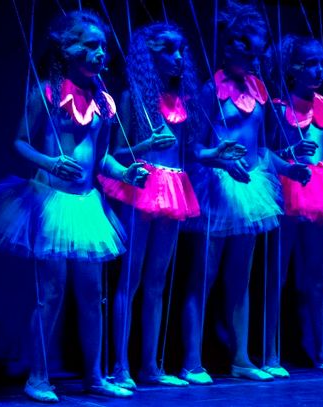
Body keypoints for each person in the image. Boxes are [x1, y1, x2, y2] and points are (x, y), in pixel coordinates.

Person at [0, 10, 148, 402]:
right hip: (50, 202)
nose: (100, 53)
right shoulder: (48, 93)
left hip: (85, 206)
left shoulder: (104, 102)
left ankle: (94, 375)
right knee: (51, 292)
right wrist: (51, 163)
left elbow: (101, 159)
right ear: (67, 50)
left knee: (92, 294)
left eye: (103, 46)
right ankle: (38, 376)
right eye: (91, 45)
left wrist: (125, 173)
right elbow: (19, 142)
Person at [179, 0, 311, 385]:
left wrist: (290, 166)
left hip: (251, 187)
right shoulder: (211, 90)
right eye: (247, 51)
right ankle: (191, 361)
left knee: (241, 277)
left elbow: (263, 148)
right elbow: (193, 148)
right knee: (203, 275)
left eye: (258, 52)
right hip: (218, 188)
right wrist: (219, 161)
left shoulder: (259, 90)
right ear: (229, 47)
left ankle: (241, 357)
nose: (254, 60)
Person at [97, 22, 232, 389]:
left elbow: (190, 151)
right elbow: (115, 152)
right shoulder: (133, 97)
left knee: (157, 281)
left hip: (174, 187)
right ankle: (120, 365)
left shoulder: (182, 100)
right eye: (168, 50)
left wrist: (216, 154)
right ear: (149, 54)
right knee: (130, 278)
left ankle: (150, 366)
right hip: (141, 184)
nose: (178, 58)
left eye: (181, 51)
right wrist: (146, 145)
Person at [264, 34, 323, 377]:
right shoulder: (279, 107)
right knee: (278, 272)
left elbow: (322, 150)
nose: (319, 70)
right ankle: (270, 354)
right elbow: (267, 153)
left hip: (319, 189)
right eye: (310, 64)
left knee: (317, 274)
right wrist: (290, 154)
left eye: (322, 63)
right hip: (289, 187)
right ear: (293, 68)